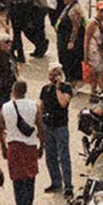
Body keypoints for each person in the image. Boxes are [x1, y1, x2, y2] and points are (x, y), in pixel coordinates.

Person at [0, 80, 44, 205]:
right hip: (30, 146)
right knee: (30, 177)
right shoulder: (34, 106)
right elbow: (40, 127)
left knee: (18, 181)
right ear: (25, 91)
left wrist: (3, 147)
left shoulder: (5, 107)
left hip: (14, 147)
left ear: (13, 91)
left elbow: (0, 129)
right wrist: (41, 146)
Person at [38, 64, 73, 197]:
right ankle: (56, 182)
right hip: (48, 127)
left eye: (55, 74)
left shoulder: (66, 88)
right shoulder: (45, 89)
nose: (52, 77)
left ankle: (68, 186)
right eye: (51, 75)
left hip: (60, 127)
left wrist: (58, 88)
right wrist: (39, 126)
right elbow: (41, 108)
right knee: (50, 157)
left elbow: (63, 103)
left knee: (64, 157)